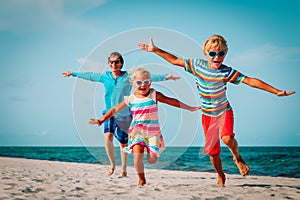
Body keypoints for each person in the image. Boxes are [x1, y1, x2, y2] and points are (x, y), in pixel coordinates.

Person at [138, 35, 296, 186]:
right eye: (213, 53)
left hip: (223, 112)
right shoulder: (197, 65)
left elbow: (250, 80)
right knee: (213, 153)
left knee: (227, 139)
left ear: (225, 53)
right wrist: (155, 50)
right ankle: (221, 175)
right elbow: (175, 60)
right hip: (207, 115)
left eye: (221, 53)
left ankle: (237, 156)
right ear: (206, 53)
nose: (217, 57)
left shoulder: (227, 72)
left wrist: (275, 91)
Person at [62, 52, 180, 177]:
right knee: (108, 136)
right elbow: (90, 76)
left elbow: (148, 78)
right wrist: (73, 74)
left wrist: (166, 77)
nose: (114, 64)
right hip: (110, 112)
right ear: (108, 63)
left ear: (121, 63)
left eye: (117, 61)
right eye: (111, 62)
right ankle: (112, 165)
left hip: (125, 115)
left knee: (123, 144)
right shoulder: (105, 77)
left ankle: (123, 169)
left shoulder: (128, 76)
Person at [89, 67, 201, 186]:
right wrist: (101, 119)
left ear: (150, 83)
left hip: (153, 134)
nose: (143, 85)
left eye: (146, 82)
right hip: (136, 132)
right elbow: (115, 109)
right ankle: (141, 179)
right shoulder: (131, 99)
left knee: (152, 160)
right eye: (139, 83)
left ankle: (150, 150)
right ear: (133, 83)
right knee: (137, 156)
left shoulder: (154, 95)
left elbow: (171, 101)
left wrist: (189, 108)